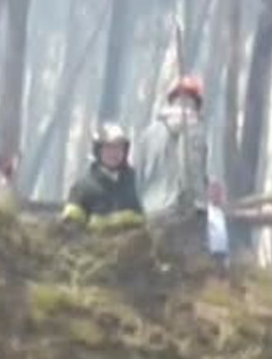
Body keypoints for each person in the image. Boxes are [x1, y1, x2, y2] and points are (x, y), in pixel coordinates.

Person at [133, 74, 211, 256]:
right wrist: (196, 205)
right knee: (189, 274)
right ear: (197, 101)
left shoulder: (148, 134)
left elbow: (138, 176)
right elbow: (190, 168)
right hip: (181, 212)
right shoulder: (193, 127)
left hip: (150, 212)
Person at [60, 123, 144, 229]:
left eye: (119, 147)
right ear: (98, 151)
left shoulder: (135, 183)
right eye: (109, 147)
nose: (114, 153)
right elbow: (70, 233)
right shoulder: (82, 189)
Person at [207, 180, 229, 267]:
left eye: (219, 193)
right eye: (214, 193)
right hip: (210, 253)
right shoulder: (206, 211)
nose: (217, 196)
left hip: (224, 253)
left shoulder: (226, 211)